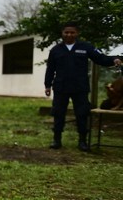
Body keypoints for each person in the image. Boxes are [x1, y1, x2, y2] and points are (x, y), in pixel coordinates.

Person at [44, 21, 122, 151]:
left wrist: (114, 59)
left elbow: (101, 58)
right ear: (62, 33)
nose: (69, 34)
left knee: (82, 113)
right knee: (58, 113)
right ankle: (56, 140)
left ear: (77, 33)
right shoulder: (55, 50)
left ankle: (82, 141)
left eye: (72, 32)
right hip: (61, 87)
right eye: (66, 32)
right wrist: (47, 85)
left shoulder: (86, 47)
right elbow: (50, 69)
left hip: (80, 87)